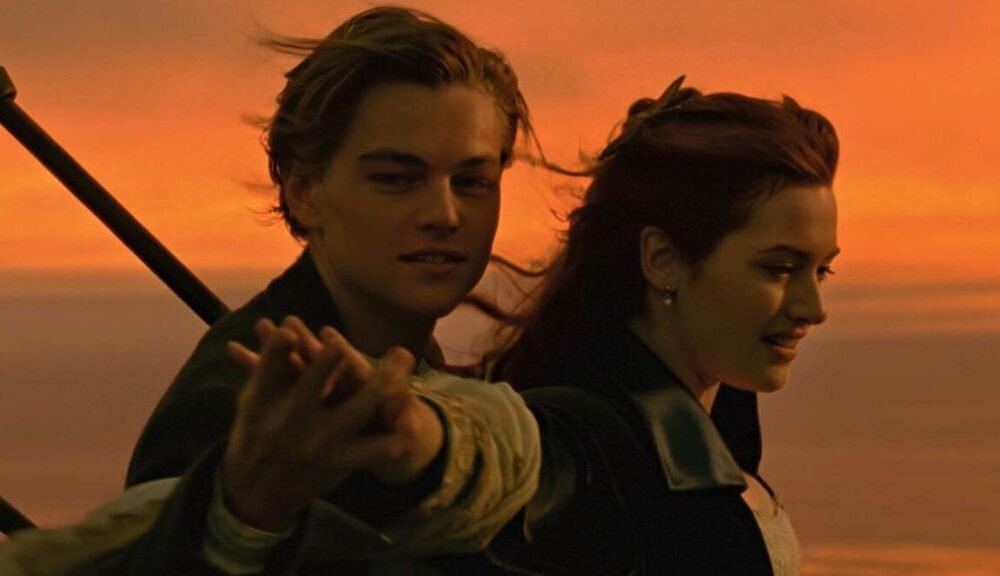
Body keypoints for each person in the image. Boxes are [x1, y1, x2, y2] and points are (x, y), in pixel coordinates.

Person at [3, 6, 544, 575]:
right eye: (395, 179)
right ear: (304, 191)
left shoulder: (407, 365)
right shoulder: (237, 410)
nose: (444, 214)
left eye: (472, 182)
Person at [475, 76, 840, 575]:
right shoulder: (579, 446)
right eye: (778, 268)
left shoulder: (713, 444)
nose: (813, 308)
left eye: (822, 271)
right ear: (663, 259)